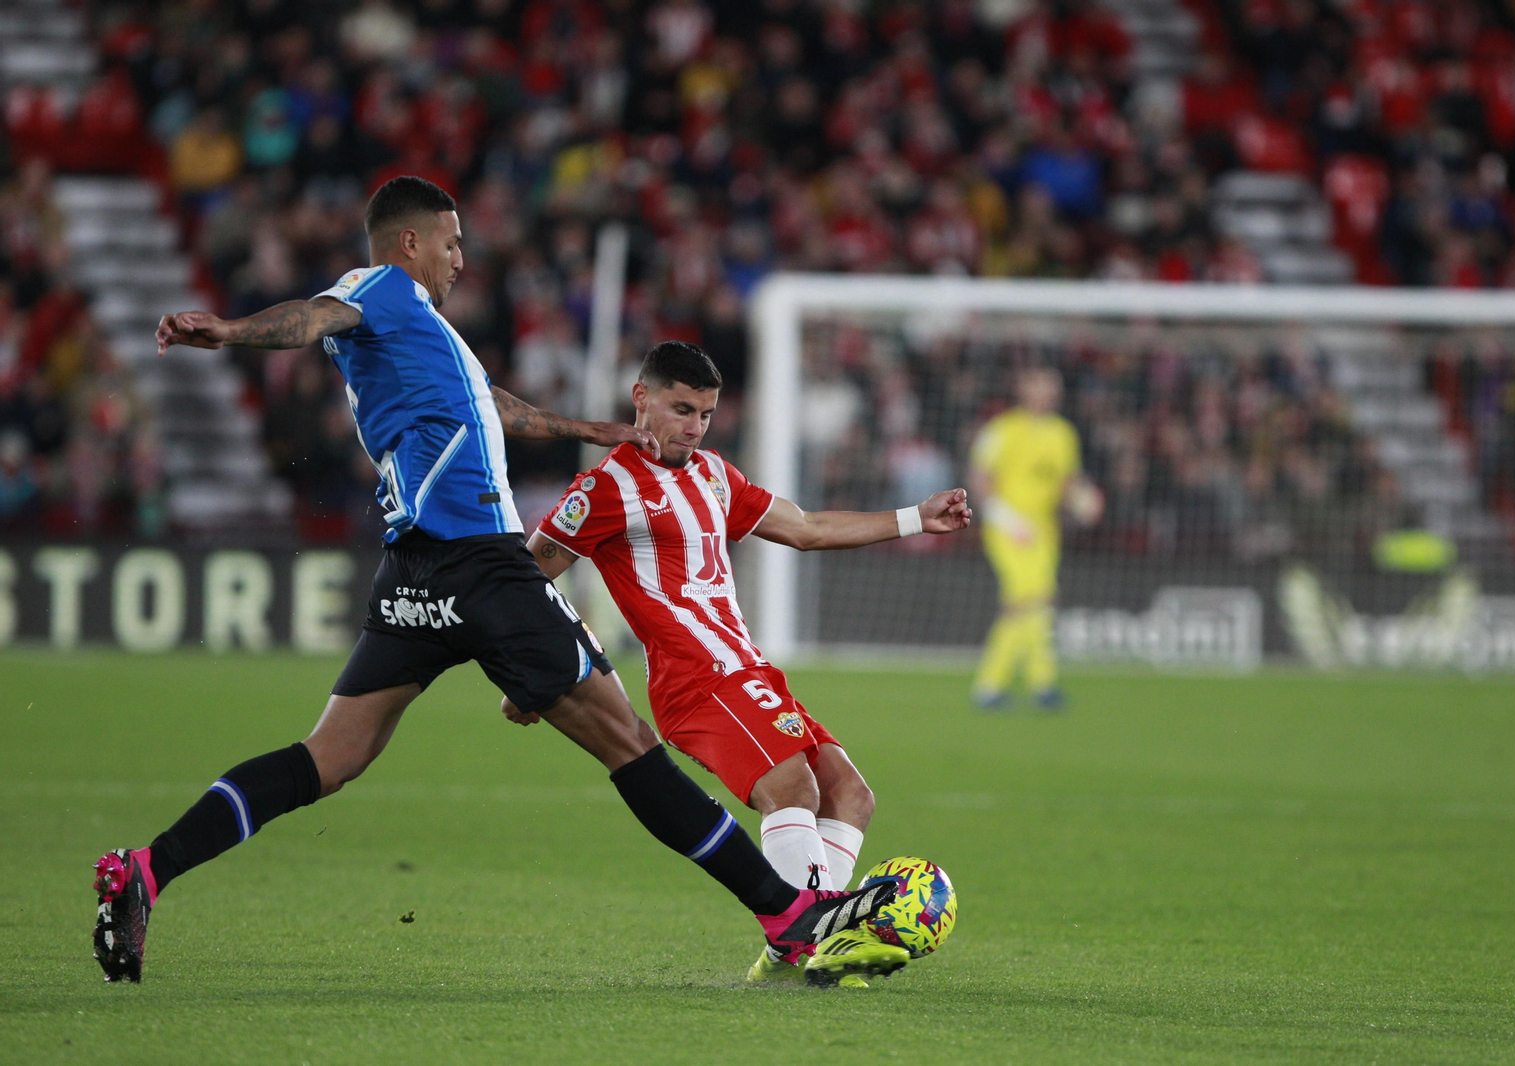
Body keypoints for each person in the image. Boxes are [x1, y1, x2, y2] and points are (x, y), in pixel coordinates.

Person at [93, 176, 899, 984]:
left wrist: (591, 430)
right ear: (410, 242)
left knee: (329, 756)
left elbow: (490, 405)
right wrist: (230, 331)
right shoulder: (378, 291)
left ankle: (148, 869)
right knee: (630, 745)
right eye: (451, 243)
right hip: (482, 563)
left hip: (413, 572)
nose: (461, 259)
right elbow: (314, 315)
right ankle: (788, 913)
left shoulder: (420, 333)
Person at [514, 340, 972, 985]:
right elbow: (524, 580)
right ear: (641, 399)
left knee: (850, 795)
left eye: (705, 413)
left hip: (747, 669)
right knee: (793, 788)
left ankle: (792, 958)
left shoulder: (713, 474)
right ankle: (814, 939)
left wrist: (914, 518)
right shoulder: (606, 487)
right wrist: (530, 669)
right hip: (695, 679)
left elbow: (806, 528)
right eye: (681, 410)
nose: (694, 427)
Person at [967, 367, 1101, 710]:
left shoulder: (1063, 433)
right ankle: (1002, 684)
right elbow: (979, 479)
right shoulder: (1002, 429)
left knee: (1038, 600)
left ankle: (1034, 684)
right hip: (1008, 528)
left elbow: (1067, 481)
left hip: (1044, 529)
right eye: (1040, 386)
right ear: (1024, 390)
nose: (1047, 393)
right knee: (1026, 598)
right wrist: (1008, 520)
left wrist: (1083, 500)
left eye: (1052, 387)